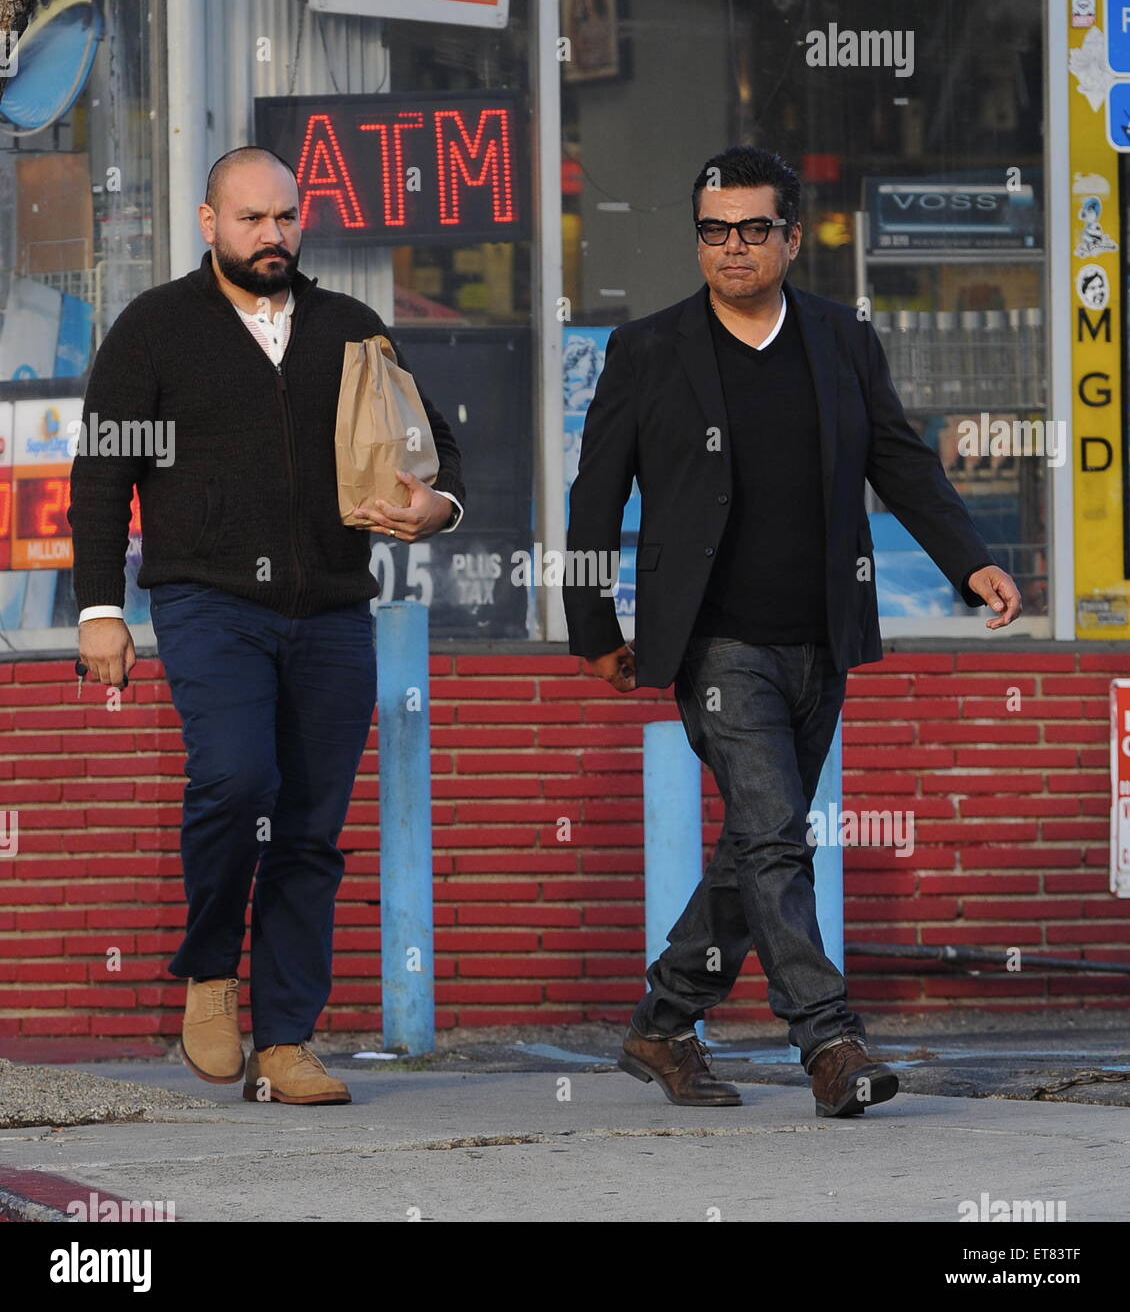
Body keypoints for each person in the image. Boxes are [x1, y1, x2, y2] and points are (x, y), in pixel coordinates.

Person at [563, 146, 1021, 1117]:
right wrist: (591, 623)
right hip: (714, 645)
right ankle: (829, 1039)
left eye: (752, 229)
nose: (732, 247)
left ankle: (660, 1020)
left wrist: (966, 559)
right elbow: (593, 498)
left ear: (789, 235)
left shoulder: (839, 340)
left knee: (752, 845)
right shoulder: (646, 351)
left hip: (820, 633)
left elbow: (897, 459)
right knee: (775, 837)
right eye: (713, 230)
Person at [68, 146, 465, 1104]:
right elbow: (101, 475)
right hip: (209, 603)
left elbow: (436, 449)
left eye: (286, 217)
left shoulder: (352, 328)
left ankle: (285, 1042)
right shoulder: (155, 329)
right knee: (234, 778)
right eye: (251, 219)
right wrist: (99, 610)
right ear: (210, 224)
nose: (272, 235)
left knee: (310, 832)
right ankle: (211, 972)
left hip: (332, 611)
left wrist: (437, 507)